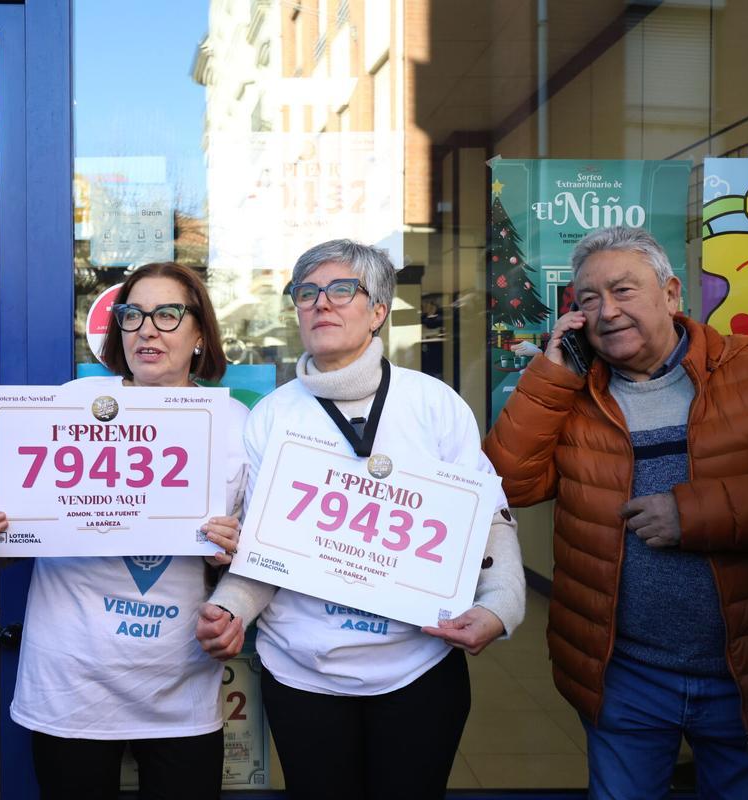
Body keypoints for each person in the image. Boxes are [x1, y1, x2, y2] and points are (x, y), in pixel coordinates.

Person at [483, 225, 748, 800]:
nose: (607, 311)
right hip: (623, 675)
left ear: (672, 294)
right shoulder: (574, 395)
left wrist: (692, 514)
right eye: (589, 300)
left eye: (624, 291)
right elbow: (506, 484)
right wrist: (551, 377)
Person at [195, 239, 525, 800]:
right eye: (307, 292)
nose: (321, 303)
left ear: (377, 311)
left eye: (341, 289)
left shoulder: (433, 403)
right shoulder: (271, 416)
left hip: (417, 670)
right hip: (301, 673)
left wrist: (500, 605)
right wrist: (231, 607)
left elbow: (487, 518)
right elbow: (265, 548)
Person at [0, 262, 249, 800]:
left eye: (168, 314)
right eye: (133, 315)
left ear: (200, 332)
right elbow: (12, 544)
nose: (147, 329)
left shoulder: (236, 428)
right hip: (69, 685)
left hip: (181, 688)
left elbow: (253, 561)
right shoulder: (68, 408)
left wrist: (233, 558)